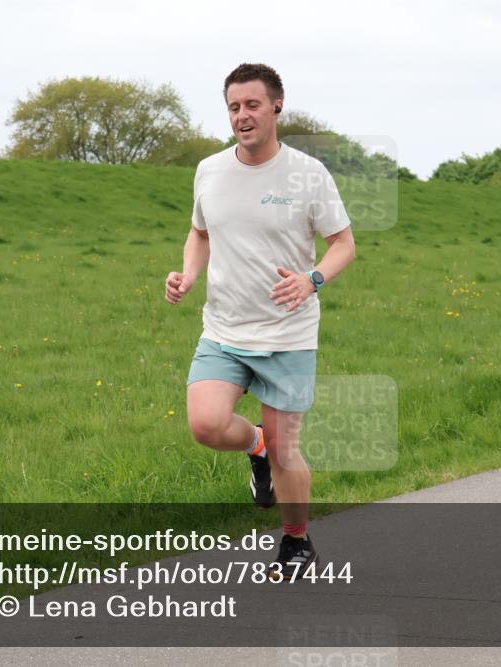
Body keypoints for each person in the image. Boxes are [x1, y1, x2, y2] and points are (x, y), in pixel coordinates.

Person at [165, 63, 356, 582]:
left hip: (288, 334)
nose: (241, 115)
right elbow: (199, 232)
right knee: (206, 424)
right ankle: (255, 446)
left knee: (286, 450)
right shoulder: (209, 170)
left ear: (276, 107)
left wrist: (312, 280)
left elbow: (343, 244)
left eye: (252, 104)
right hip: (224, 329)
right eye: (233, 107)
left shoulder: (307, 174)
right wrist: (188, 274)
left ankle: (296, 541)